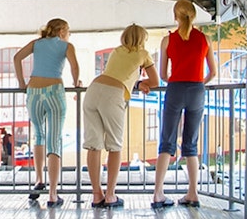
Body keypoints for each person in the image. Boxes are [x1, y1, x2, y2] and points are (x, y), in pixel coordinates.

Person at [83, 23, 160, 208]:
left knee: (94, 146)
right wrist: (142, 83)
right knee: (114, 146)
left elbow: (119, 73)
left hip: (93, 90)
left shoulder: (116, 51)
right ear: (143, 39)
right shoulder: (143, 54)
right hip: (113, 95)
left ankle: (96, 194)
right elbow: (155, 81)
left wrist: (135, 82)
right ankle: (110, 195)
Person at [151, 0, 217, 209]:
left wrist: (177, 81)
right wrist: (199, 83)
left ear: (175, 16)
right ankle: (192, 192)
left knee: (167, 141)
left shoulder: (167, 41)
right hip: (197, 90)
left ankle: (158, 193)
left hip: (175, 89)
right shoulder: (205, 39)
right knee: (191, 143)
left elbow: (163, 74)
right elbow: (213, 72)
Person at [13, 18, 81, 207]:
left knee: (39, 136)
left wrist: (21, 83)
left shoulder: (36, 44)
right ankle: (53, 193)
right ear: (62, 32)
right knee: (55, 139)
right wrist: (76, 83)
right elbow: (74, 67)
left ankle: (39, 179)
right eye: (68, 31)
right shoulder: (66, 46)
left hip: (33, 91)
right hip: (54, 92)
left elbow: (17, 57)